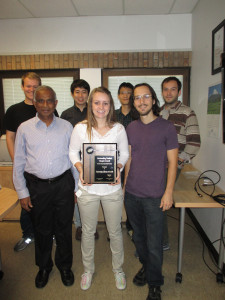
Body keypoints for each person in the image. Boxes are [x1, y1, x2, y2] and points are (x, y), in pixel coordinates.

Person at [13, 86, 76, 289]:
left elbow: (74, 159)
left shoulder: (67, 127)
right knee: (42, 229)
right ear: (34, 102)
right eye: (41, 101)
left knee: (64, 228)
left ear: (56, 103)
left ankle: (65, 266)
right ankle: (44, 266)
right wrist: (22, 192)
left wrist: (76, 188)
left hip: (63, 184)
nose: (46, 105)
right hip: (37, 187)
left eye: (50, 101)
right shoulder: (24, 128)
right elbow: (19, 162)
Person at [69, 87, 129, 291]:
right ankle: (88, 270)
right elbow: (72, 152)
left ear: (110, 105)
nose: (101, 107)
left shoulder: (119, 129)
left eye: (105, 103)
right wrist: (80, 169)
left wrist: (118, 168)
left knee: (115, 231)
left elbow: (124, 155)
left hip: (112, 189)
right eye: (97, 102)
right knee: (87, 232)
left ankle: (118, 270)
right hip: (88, 190)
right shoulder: (80, 128)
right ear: (90, 104)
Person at [124, 83, 178, 300]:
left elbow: (173, 163)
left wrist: (169, 192)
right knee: (139, 238)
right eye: (137, 98)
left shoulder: (166, 127)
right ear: (134, 102)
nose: (141, 101)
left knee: (154, 243)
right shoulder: (131, 128)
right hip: (132, 194)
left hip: (155, 195)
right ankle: (147, 267)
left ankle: (155, 284)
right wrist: (125, 187)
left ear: (153, 100)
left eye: (146, 96)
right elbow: (129, 159)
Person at [160, 76, 201, 250]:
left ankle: (162, 242)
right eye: (166, 89)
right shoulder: (158, 112)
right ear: (162, 92)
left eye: (173, 89)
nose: (169, 93)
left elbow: (194, 143)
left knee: (158, 201)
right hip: (156, 165)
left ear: (179, 91)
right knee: (155, 201)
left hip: (171, 166)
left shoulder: (187, 112)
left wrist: (177, 160)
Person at [4, 72, 43, 252]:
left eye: (35, 86)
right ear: (22, 86)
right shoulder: (13, 110)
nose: (31, 89)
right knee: (26, 202)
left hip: (43, 168)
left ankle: (46, 232)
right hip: (24, 167)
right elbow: (10, 138)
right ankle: (28, 235)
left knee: (45, 202)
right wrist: (17, 161)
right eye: (28, 86)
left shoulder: (46, 107)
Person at [61, 79, 99, 241]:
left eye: (84, 92)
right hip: (74, 160)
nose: (81, 95)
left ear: (88, 94)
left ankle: (92, 226)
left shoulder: (95, 112)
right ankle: (79, 226)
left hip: (93, 158)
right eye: (77, 92)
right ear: (72, 94)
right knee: (78, 192)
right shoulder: (66, 114)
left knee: (93, 193)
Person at [115, 82, 136, 238]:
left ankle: (131, 224)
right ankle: (114, 226)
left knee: (130, 194)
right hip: (115, 161)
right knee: (114, 194)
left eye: (129, 92)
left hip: (134, 161)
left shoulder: (138, 115)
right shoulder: (113, 115)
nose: (125, 95)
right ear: (118, 95)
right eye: (122, 92)